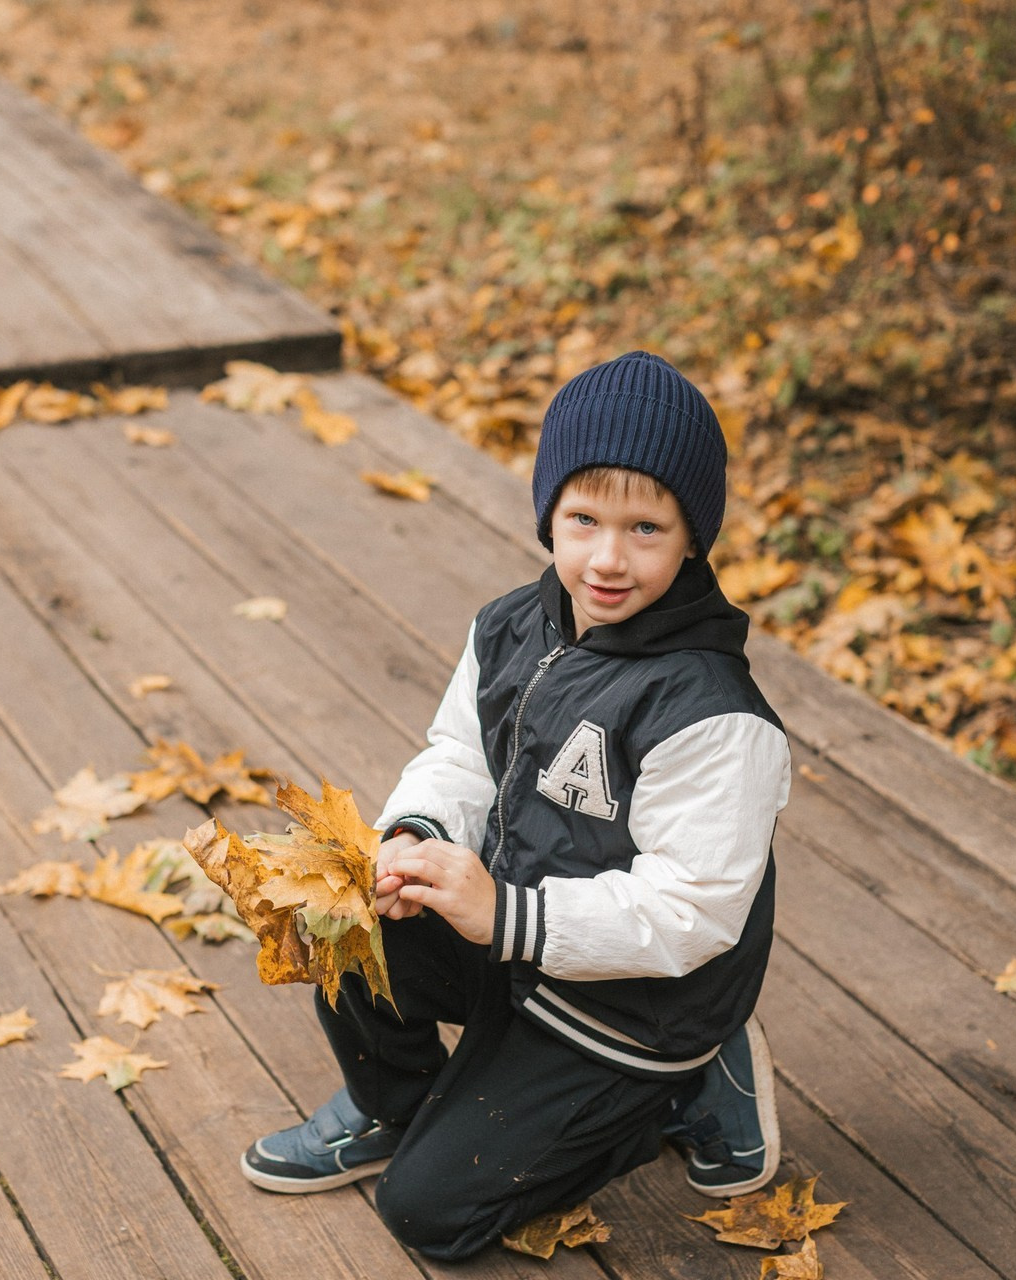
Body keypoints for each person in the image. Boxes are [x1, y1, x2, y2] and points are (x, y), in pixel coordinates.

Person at [240, 350, 792, 1259]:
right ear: (549, 514)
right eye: (582, 519)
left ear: (694, 536)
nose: (607, 559)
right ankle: (398, 1108)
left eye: (647, 529)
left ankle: (686, 1082)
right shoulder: (513, 626)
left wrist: (509, 914)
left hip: (632, 1003)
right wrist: (414, 837)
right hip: (513, 928)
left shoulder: (712, 715)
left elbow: (692, 909)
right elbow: (461, 755)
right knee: (345, 923)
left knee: (430, 1216)